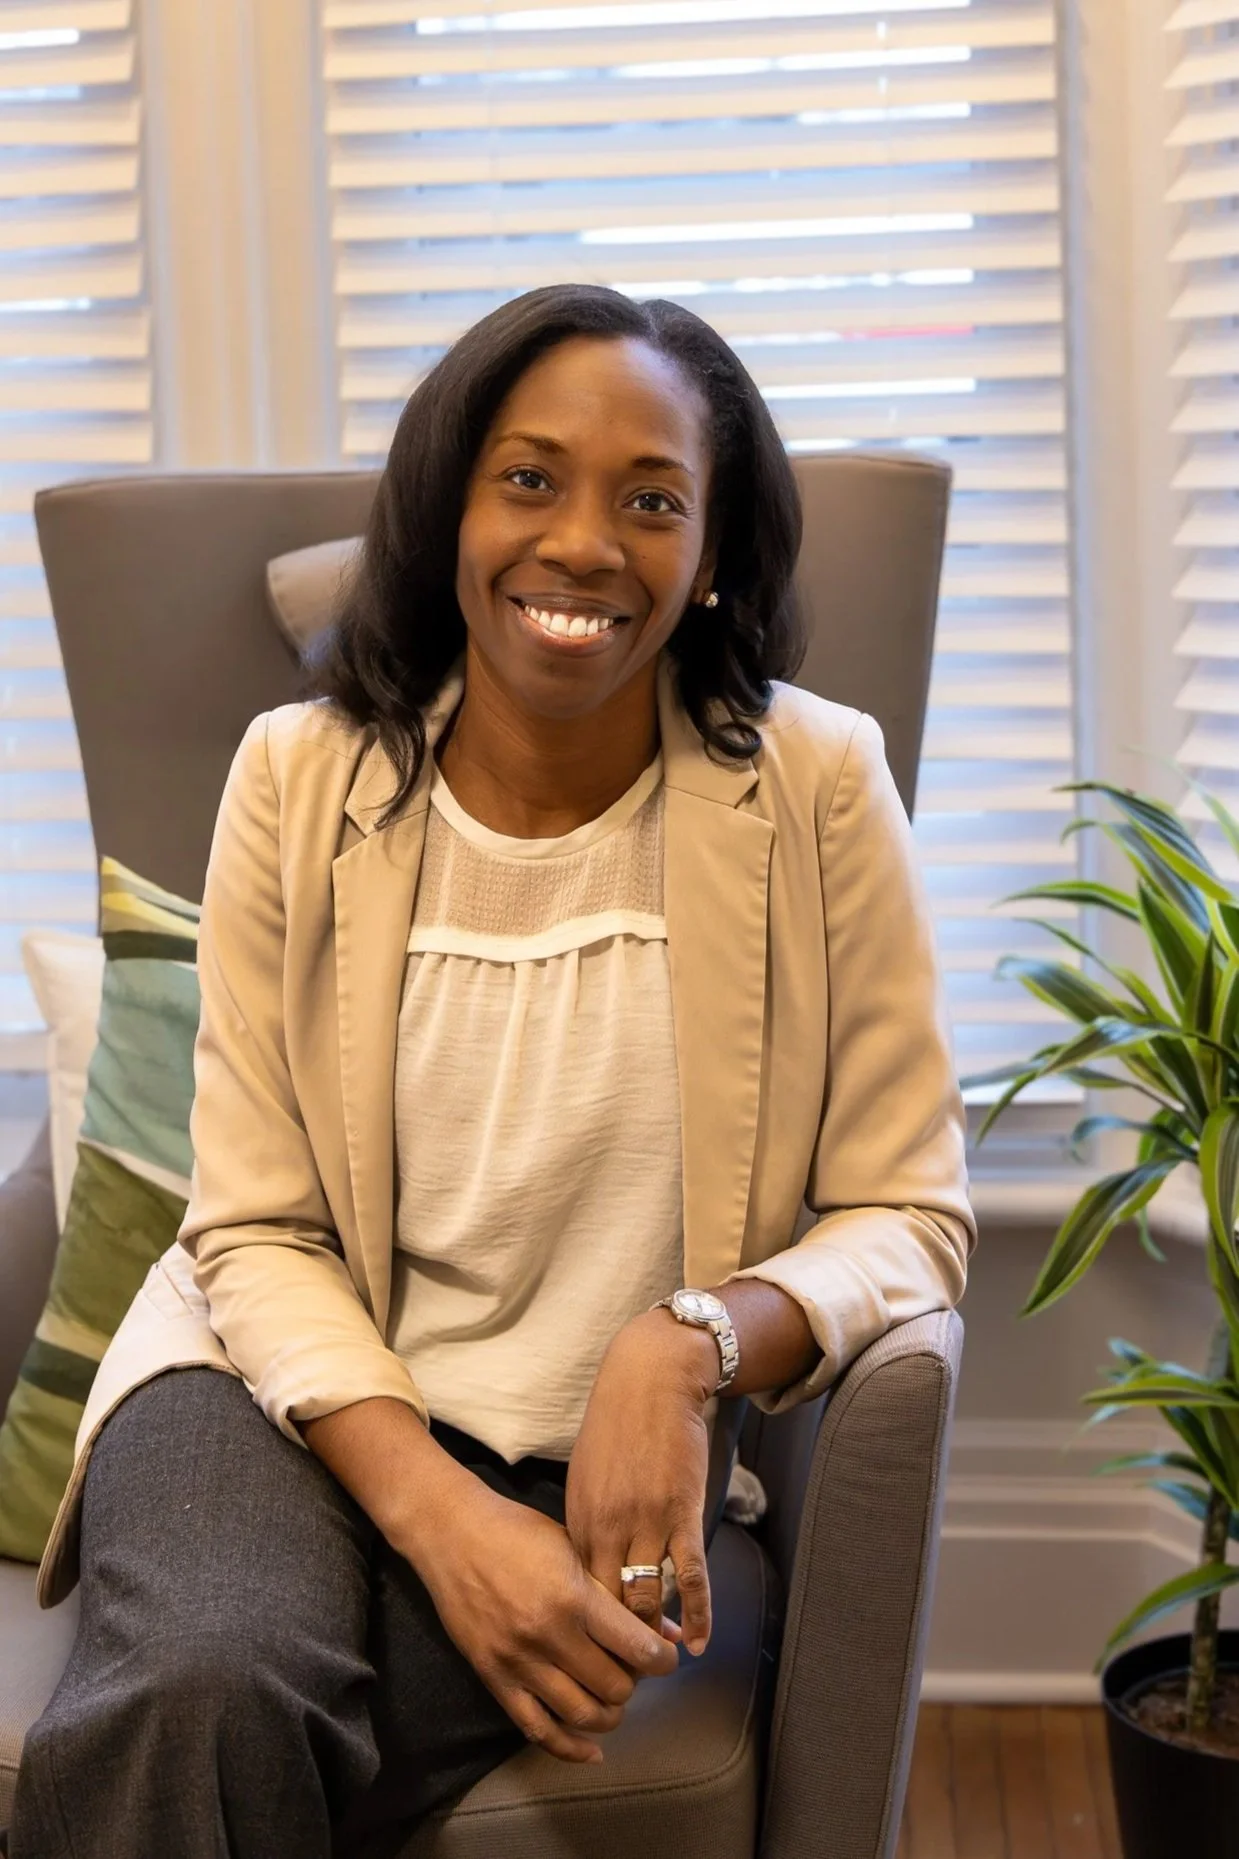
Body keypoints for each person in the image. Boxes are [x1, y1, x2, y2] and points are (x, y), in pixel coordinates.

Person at [10, 283, 975, 1859]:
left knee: (219, 1726)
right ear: (450, 507)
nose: (584, 542)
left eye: (650, 499)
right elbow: (250, 1229)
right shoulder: (298, 773)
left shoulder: (815, 788)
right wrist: (446, 1522)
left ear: (713, 553)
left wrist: (681, 1347)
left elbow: (908, 1213)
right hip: (265, 1392)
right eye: (528, 477)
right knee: (200, 1681)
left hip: (586, 1464)